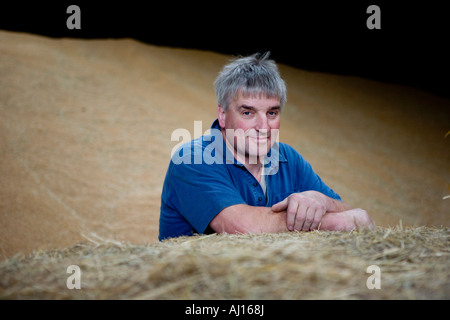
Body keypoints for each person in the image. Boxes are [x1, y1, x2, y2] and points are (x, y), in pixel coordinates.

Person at [159, 52, 374, 240]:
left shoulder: (288, 158)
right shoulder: (192, 159)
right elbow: (243, 228)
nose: (263, 127)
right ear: (223, 115)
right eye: (248, 113)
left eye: (272, 113)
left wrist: (321, 201)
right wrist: (334, 224)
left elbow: (352, 212)